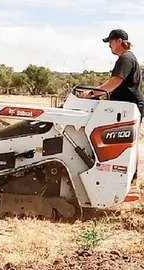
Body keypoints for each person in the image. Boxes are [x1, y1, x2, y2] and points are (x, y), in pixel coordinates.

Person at [81, 29, 143, 201]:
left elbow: (115, 81)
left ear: (119, 41)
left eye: (110, 42)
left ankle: (129, 184)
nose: (109, 46)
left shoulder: (125, 59)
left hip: (128, 107)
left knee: (124, 145)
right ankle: (132, 184)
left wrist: (93, 93)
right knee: (129, 145)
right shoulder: (128, 58)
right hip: (129, 106)